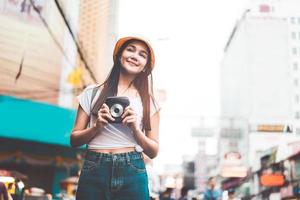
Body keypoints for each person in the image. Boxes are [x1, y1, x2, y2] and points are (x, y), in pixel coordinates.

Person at [70, 36, 160, 200]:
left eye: (142, 54)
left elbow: (153, 151)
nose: (134, 56)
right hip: (94, 167)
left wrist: (135, 130)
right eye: (130, 49)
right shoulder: (92, 92)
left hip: (132, 169)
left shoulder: (149, 101)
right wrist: (97, 127)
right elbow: (74, 139)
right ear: (119, 55)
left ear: (145, 67)